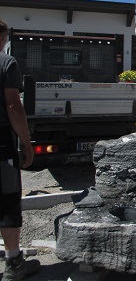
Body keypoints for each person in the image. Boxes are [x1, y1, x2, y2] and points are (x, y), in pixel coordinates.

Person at [0, 20, 40, 280]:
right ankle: (14, 263)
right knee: (7, 201)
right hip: (1, 144)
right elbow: (14, 106)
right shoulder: (6, 63)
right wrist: (26, 143)